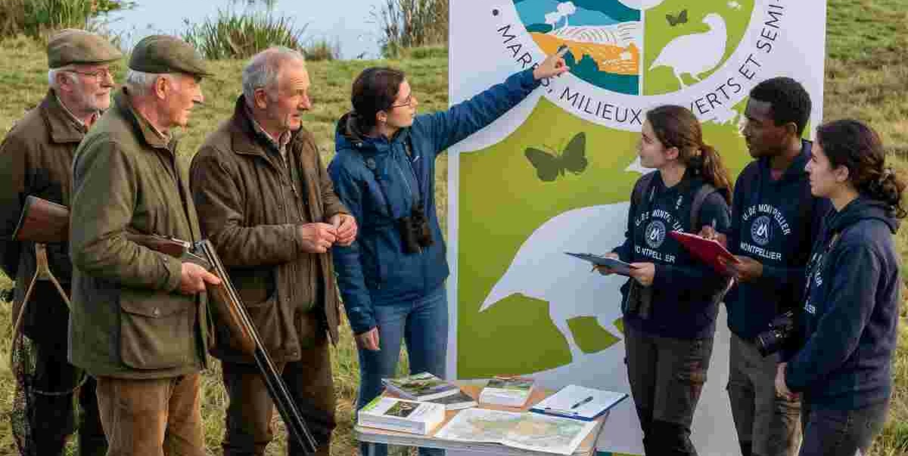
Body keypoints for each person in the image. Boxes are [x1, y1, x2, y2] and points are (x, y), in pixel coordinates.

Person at [328, 51, 569, 456]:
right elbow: (345, 251)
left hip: (430, 292)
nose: (415, 103)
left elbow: (475, 111)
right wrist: (361, 317)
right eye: (406, 100)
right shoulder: (346, 168)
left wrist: (532, 76)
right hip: (383, 300)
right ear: (382, 115)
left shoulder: (420, 134)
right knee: (378, 395)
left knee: (434, 392)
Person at [190, 47, 356, 456]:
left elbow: (324, 192)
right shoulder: (216, 158)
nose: (308, 103)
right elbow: (219, 243)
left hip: (311, 315)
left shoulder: (302, 139)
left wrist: (338, 215)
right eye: (297, 93)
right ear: (261, 98)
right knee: (251, 435)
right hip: (256, 321)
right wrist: (296, 238)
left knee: (317, 422)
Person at [68, 35, 220, 456]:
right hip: (134, 351)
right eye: (193, 85)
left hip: (168, 342)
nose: (201, 97)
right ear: (162, 86)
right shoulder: (113, 146)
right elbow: (95, 246)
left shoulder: (155, 140)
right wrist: (176, 273)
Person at [0, 28, 120, 456]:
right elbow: (5, 229)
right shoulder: (25, 139)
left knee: (102, 411)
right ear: (64, 81)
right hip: (51, 301)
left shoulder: (109, 127)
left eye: (109, 72)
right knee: (49, 417)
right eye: (96, 73)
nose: (109, 81)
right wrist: (37, 272)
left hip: (104, 295)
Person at [702, 77, 829, 456]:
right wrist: (719, 244)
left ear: (788, 130)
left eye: (756, 124)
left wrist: (763, 273)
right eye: (746, 120)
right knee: (747, 444)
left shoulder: (817, 185)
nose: (745, 130)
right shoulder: (750, 176)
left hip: (784, 345)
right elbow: (739, 242)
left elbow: (823, 279)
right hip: (743, 333)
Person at [599, 105, 733, 455]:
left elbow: (718, 280)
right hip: (639, 325)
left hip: (684, 334)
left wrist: (660, 275)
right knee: (651, 433)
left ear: (671, 151)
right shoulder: (644, 188)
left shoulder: (708, 202)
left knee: (670, 438)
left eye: (646, 140)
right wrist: (617, 258)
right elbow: (635, 243)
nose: (638, 146)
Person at [776, 119, 903, 456]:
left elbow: (839, 334)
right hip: (825, 390)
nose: (807, 167)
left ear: (842, 172)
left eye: (816, 159)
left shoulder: (862, 243)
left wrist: (793, 375)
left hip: (847, 400)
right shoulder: (837, 222)